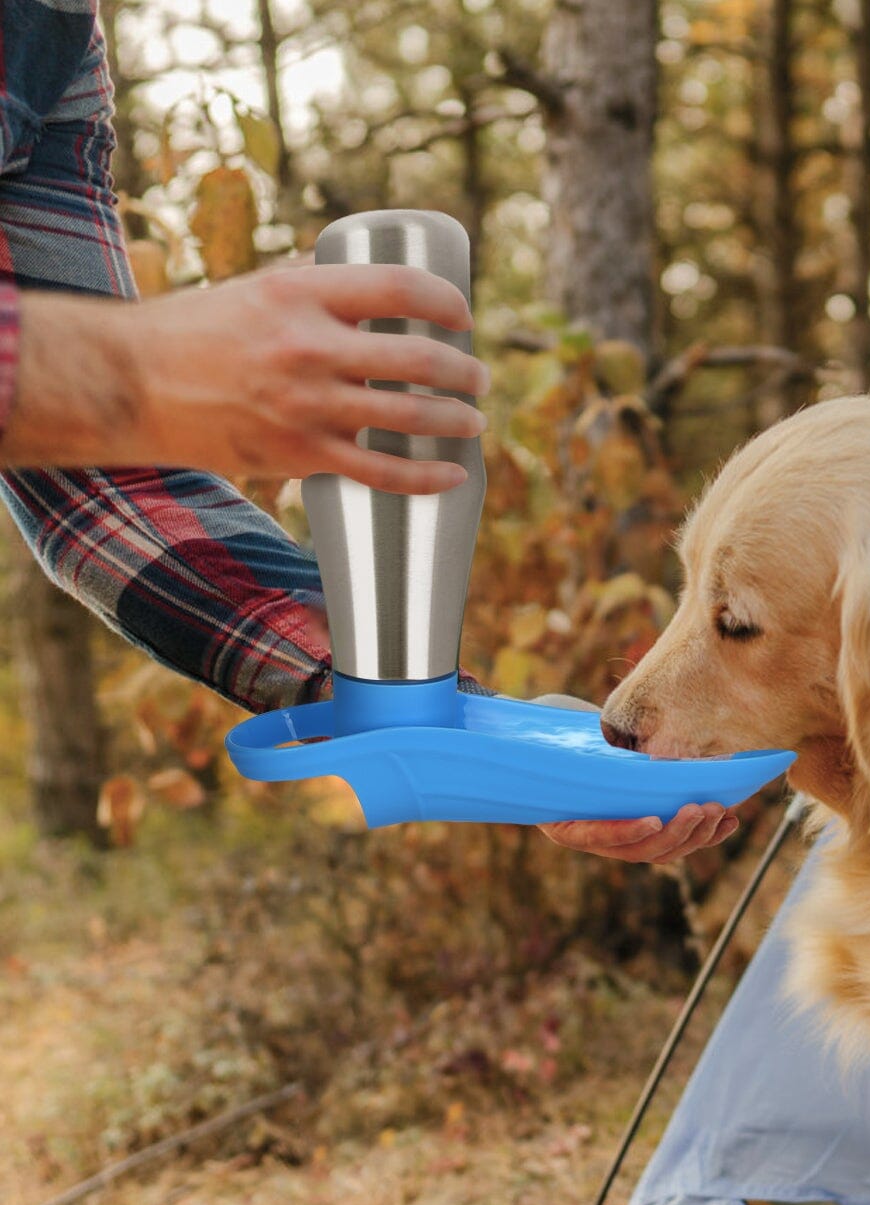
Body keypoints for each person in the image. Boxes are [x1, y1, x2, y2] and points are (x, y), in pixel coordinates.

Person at [0, 3, 734, 863]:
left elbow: (104, 483)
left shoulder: (49, 28)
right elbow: (100, 394)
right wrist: (137, 370)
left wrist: (456, 728)